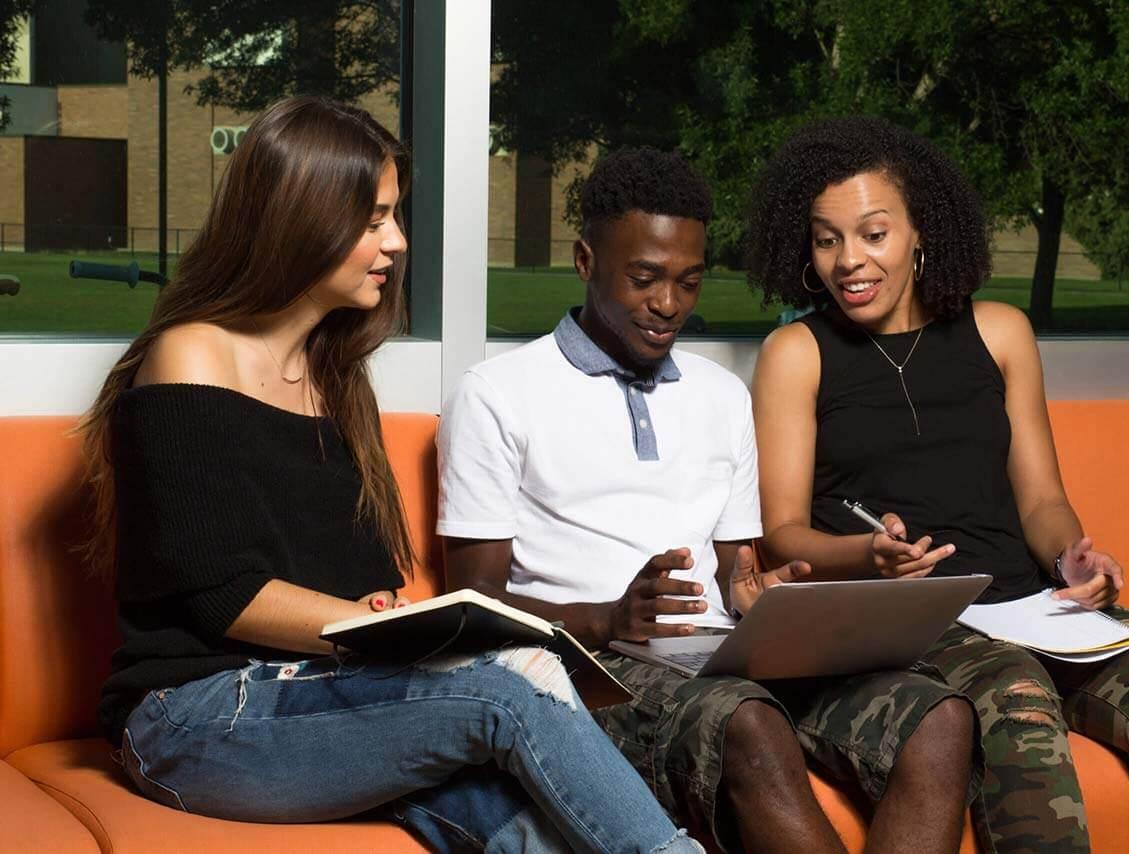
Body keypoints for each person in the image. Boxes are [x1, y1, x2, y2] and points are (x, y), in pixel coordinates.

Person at [78, 96, 704, 854]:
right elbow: (224, 596)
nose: (396, 242)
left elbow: (357, 582)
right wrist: (374, 630)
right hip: (195, 718)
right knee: (514, 680)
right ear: (302, 217)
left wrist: (383, 612)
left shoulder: (333, 379)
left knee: (526, 820)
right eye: (374, 219)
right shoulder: (192, 355)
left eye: (394, 216)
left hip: (315, 695)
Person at [438, 146, 981, 854]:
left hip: (723, 658)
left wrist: (762, 592)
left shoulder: (721, 395)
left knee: (939, 719)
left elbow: (736, 572)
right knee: (748, 723)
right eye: (644, 279)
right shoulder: (497, 394)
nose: (668, 306)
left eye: (688, 282)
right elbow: (473, 610)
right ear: (584, 260)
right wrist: (604, 618)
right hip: (593, 673)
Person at [747, 116, 1129, 854]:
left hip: (1030, 603)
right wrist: (868, 556)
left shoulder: (1000, 332)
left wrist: (1069, 560)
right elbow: (782, 533)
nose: (850, 261)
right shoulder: (797, 352)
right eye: (828, 240)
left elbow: (1043, 500)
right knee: (1017, 702)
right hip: (915, 619)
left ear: (921, 231)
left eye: (873, 234)